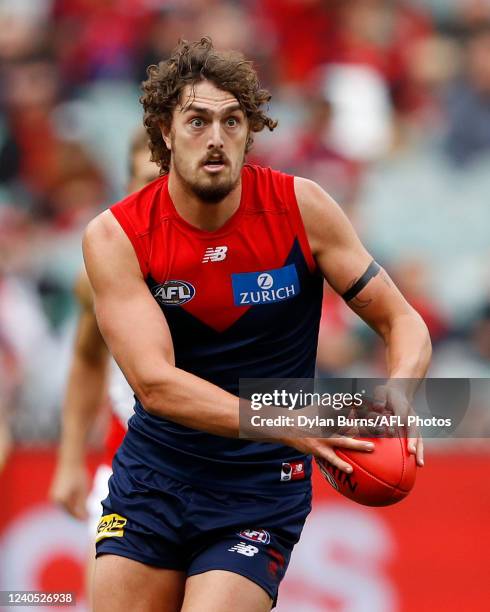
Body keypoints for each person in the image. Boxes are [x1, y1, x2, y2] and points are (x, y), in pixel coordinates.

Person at [83, 38, 431, 612]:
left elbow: (403, 320)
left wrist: (400, 387)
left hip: (260, 488)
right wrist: (291, 421)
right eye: (196, 121)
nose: (215, 137)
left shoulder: (303, 208)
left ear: (251, 131)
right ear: (165, 133)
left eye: (232, 121)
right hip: (153, 479)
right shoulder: (116, 236)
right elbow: (155, 383)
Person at [49, 127, 159, 597]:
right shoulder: (99, 274)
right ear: (127, 187)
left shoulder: (230, 267)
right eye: (143, 181)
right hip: (126, 472)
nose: (155, 194)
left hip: (221, 480)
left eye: (165, 180)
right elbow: (87, 358)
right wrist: (71, 458)